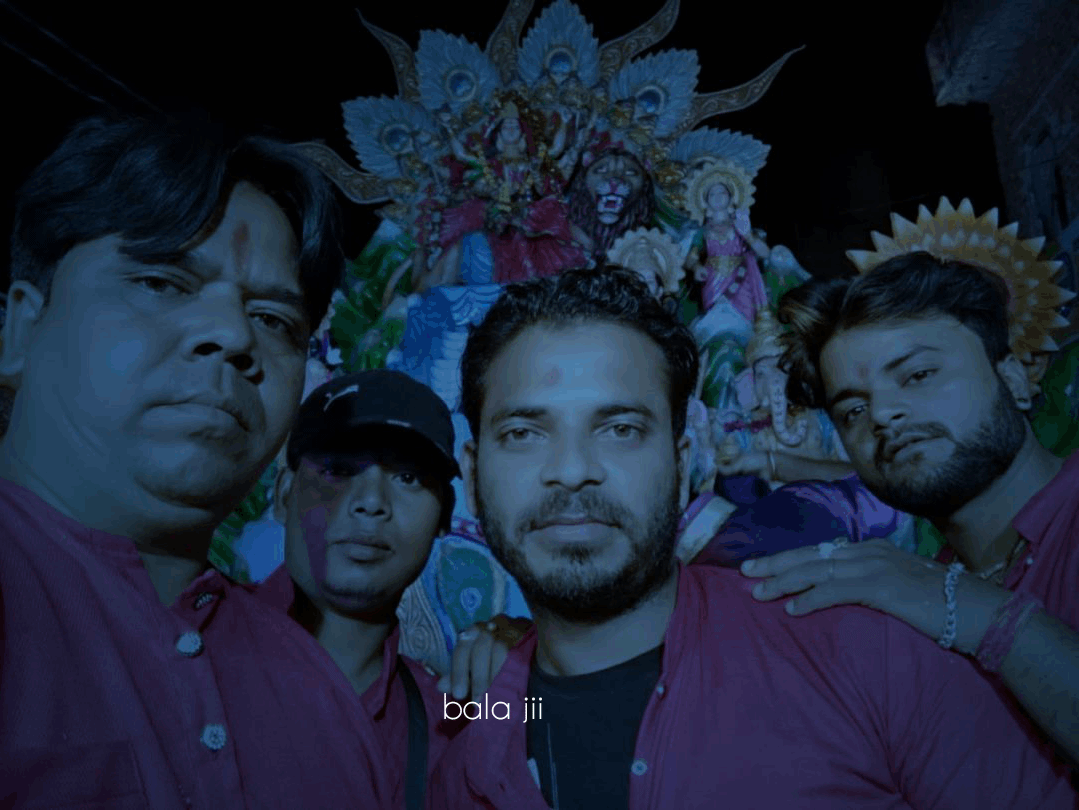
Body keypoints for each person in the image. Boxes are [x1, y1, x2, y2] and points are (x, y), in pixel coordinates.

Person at [427, 266, 1076, 808]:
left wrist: (988, 619)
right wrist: (508, 672)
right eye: (523, 433)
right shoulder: (481, 715)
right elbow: (538, 712)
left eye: (621, 429)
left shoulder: (860, 650)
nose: (571, 469)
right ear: (473, 475)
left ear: (684, 464)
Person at [0, 112, 393, 807]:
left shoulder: (322, 699)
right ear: (21, 330)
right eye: (162, 281)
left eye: (273, 320)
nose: (233, 333)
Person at [742, 251, 1079, 767]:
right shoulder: (911, 591)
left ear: (1012, 377)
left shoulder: (926, 587)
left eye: (918, 374)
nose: (882, 413)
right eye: (853, 409)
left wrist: (977, 612)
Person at [272, 369, 524, 809]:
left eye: (407, 477)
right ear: (283, 495)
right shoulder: (187, 649)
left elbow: (548, 717)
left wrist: (531, 671)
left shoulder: (449, 713)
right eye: (338, 469)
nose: (371, 502)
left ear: (443, 517)